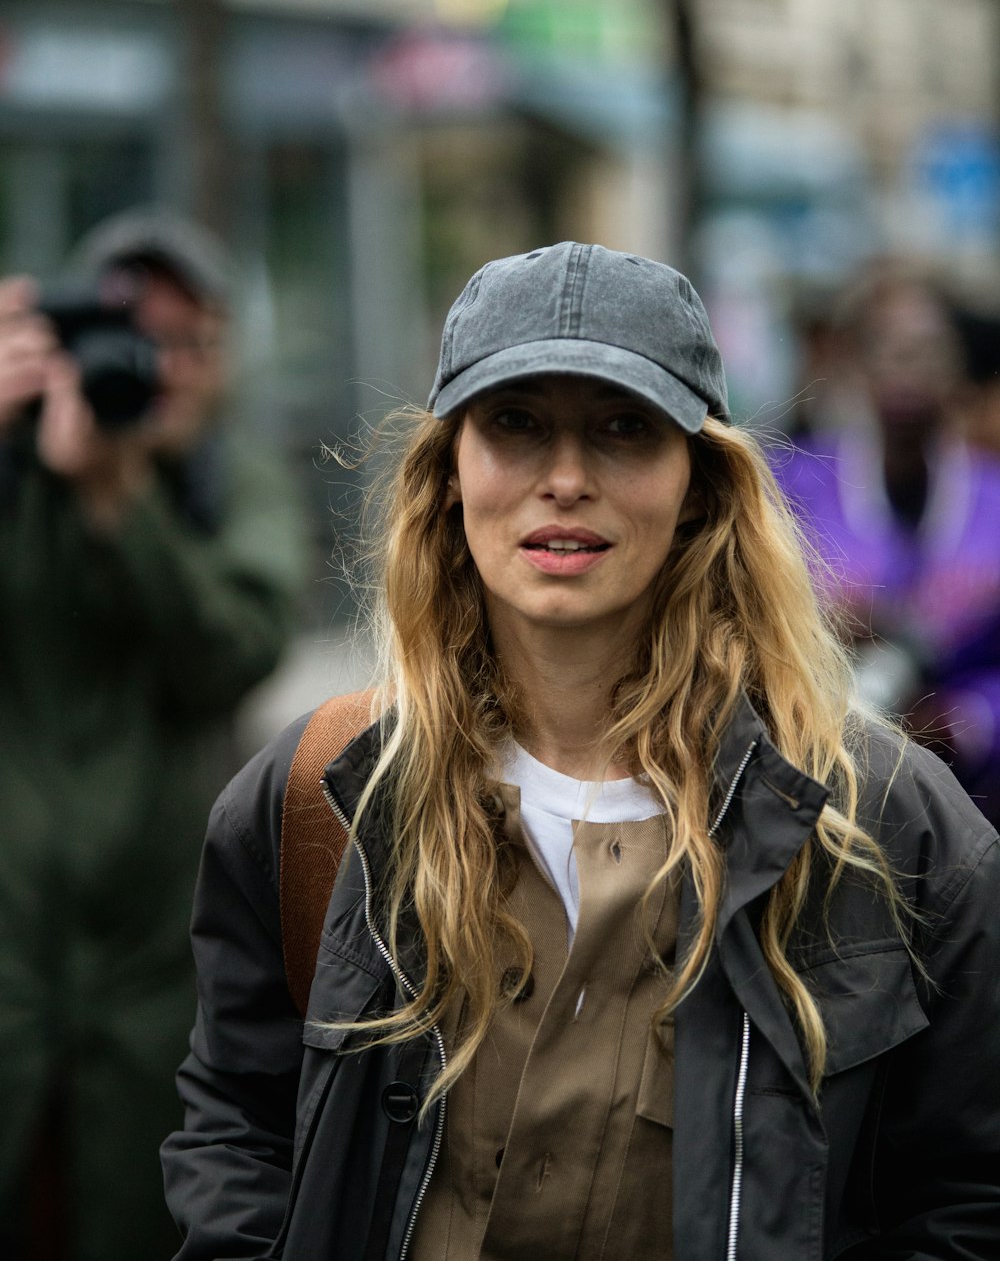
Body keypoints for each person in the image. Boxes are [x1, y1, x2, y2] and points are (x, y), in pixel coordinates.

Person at [162, 242, 1000, 1261]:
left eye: (622, 430)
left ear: (698, 481)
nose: (564, 479)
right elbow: (239, 1131)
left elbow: (965, 1197)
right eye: (515, 424)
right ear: (449, 468)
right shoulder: (321, 800)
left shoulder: (886, 828)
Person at [0, 209, 306, 1261]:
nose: (162, 368)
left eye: (191, 343)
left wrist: (120, 502)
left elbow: (237, 649)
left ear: (223, 363)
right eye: (136, 335)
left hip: (156, 982)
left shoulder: (235, 485)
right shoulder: (12, 468)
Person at [775, 267, 1000, 827]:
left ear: (957, 366)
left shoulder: (994, 495)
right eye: (888, 348)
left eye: (927, 349)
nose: (908, 368)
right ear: (854, 364)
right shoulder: (792, 484)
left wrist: (967, 720)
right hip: (826, 786)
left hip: (977, 800)